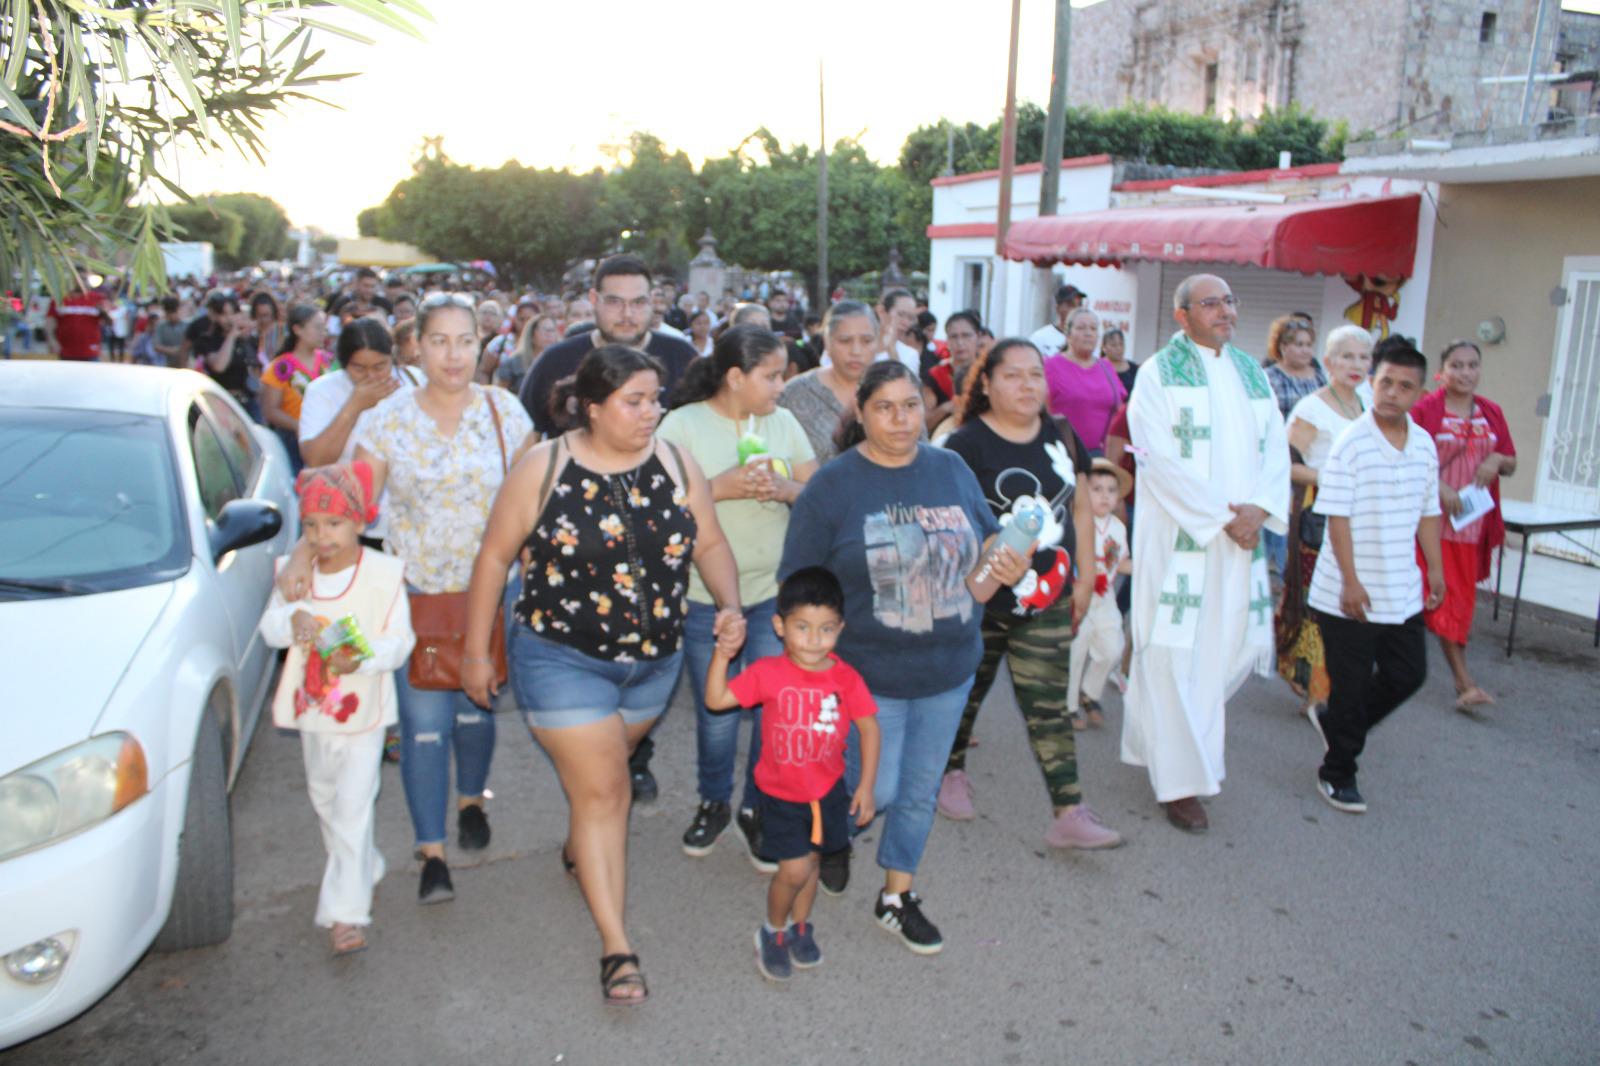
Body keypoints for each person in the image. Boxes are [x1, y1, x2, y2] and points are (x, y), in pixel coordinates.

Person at [461, 345, 742, 1005]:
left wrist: (728, 604)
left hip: (653, 664)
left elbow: (709, 542)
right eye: (636, 401)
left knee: (601, 787)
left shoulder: (676, 462)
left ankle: (579, 847)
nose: (652, 413)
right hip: (561, 658)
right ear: (592, 407)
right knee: (608, 794)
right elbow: (495, 558)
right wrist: (477, 652)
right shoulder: (545, 467)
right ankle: (618, 948)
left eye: (656, 399)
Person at [276, 293, 536, 904]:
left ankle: (472, 798)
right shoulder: (387, 419)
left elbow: (534, 499)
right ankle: (431, 850)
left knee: (476, 710)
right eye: (439, 341)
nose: (453, 354)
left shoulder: (506, 413)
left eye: (465, 341)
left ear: (481, 345)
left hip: (490, 594)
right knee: (424, 725)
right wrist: (303, 550)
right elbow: (349, 497)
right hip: (415, 593)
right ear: (416, 345)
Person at [779, 361, 1031, 954]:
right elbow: (800, 577)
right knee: (878, 790)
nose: (901, 419)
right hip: (868, 676)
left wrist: (1006, 560)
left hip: (949, 668)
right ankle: (826, 835)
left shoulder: (949, 467)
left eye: (912, 405)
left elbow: (987, 537)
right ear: (860, 414)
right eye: (885, 407)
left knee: (918, 790)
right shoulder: (834, 485)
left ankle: (896, 895)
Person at [935, 339, 1122, 850]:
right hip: (980, 598)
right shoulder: (963, 444)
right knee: (966, 693)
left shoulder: (1060, 434)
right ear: (988, 384)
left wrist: (1083, 579)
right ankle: (949, 772)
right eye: (1012, 376)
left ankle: (1069, 810)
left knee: (1047, 705)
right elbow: (948, 525)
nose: (1026, 386)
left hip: (1048, 595)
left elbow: (1081, 506)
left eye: (1035, 375)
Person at [1123, 274, 1289, 833]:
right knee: (1172, 652)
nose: (1225, 311)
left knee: (1224, 649)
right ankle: (1181, 783)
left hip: (1239, 540)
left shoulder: (1250, 374)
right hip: (1181, 539)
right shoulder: (1157, 375)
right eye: (1210, 302)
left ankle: (1170, 748)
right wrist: (1224, 517)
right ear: (1182, 315)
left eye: (1229, 301)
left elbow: (1276, 454)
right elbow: (1157, 458)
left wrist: (1260, 510)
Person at [656, 326, 819, 865]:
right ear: (734, 377)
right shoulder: (682, 425)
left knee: (774, 709)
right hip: (706, 598)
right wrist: (719, 487)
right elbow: (658, 511)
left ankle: (756, 806)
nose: (781, 386)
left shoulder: (785, 422)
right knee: (718, 713)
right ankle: (712, 801)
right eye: (771, 376)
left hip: (774, 594)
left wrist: (785, 489)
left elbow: (813, 493)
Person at [257, 462, 414, 956]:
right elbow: (269, 628)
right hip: (312, 713)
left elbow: (400, 643)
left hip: (363, 714)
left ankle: (346, 912)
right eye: (311, 526)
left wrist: (362, 656)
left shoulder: (384, 575)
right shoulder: (293, 576)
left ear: (360, 523)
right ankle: (363, 865)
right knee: (326, 798)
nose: (322, 536)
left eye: (335, 524)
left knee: (350, 807)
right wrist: (294, 619)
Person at [704, 567, 880, 982]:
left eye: (826, 629)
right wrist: (723, 654)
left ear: (841, 628)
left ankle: (801, 927)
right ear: (780, 626)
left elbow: (870, 727)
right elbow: (716, 699)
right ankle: (773, 930)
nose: (814, 640)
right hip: (781, 795)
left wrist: (867, 786)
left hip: (828, 793)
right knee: (794, 870)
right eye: (803, 627)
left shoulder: (845, 677)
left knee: (814, 864)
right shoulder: (768, 673)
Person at [1306, 342, 1445, 813]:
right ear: (1372, 381)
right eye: (1385, 382)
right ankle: (1337, 772)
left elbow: (1428, 512)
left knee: (1409, 675)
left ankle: (1336, 721)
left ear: (1419, 392)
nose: (1392, 393)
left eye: (1405, 386)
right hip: (1347, 592)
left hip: (1401, 589)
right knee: (1351, 684)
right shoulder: (1352, 442)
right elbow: (1337, 517)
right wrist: (1350, 581)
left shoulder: (1424, 444)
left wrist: (1437, 572)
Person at [1410, 340, 1517, 713]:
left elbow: (1512, 461)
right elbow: (1405, 455)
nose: (1466, 373)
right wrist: (1438, 485)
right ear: (1443, 371)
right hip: (1427, 525)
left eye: (1472, 365)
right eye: (1457, 365)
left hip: (1470, 527)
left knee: (1455, 602)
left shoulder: (1491, 412)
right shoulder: (1426, 409)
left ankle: (1455, 678)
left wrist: (1497, 460)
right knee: (1435, 596)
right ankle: (1463, 682)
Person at [1276, 325, 1372, 713]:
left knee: (1351, 602)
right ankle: (1316, 689)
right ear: (1329, 362)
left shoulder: (1369, 402)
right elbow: (1285, 466)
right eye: (1347, 357)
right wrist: (1333, 479)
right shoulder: (1312, 408)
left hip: (1362, 519)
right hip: (1320, 517)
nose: (1356, 365)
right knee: (1319, 604)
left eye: (1364, 357)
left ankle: (1336, 683)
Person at [519, 255, 698, 442]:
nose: (627, 313)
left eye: (638, 302)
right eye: (615, 302)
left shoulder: (683, 357)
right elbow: (525, 439)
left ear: (651, 301)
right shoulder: (555, 360)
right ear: (594, 299)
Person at [298, 316, 419, 548]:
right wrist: (354, 406)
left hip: (405, 522)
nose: (372, 376)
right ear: (344, 364)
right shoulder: (323, 391)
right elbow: (315, 458)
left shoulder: (414, 384)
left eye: (380, 366)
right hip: (344, 520)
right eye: (359, 368)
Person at [1067, 459, 1133, 729]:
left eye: (1111, 490)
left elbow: (1121, 563)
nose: (1105, 495)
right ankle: (1068, 706)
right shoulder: (1076, 523)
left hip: (1105, 599)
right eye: (1096, 489)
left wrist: (1149, 568)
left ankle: (1090, 692)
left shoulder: (1118, 529)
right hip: (1080, 594)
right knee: (1076, 650)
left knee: (1112, 647)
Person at [1261, 314, 1326, 584]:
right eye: (1297, 344)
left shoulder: (1321, 379)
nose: (1304, 350)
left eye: (1308, 344)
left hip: (1312, 470)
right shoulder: (1269, 378)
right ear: (1282, 346)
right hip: (1277, 466)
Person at [780, 300, 878, 464]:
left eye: (866, 341)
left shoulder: (897, 392)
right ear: (827, 341)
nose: (856, 351)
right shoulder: (793, 394)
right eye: (845, 340)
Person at [261, 304, 335, 471]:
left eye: (324, 327)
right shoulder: (281, 367)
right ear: (297, 330)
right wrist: (300, 426)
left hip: (327, 436)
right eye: (317, 327)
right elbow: (271, 412)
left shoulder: (326, 361)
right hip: (293, 440)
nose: (323, 333)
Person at [1045, 307, 1126, 455]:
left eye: (1093, 329)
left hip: (1101, 456)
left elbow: (1120, 407)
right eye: (1081, 328)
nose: (1088, 333)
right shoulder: (1050, 366)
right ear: (1068, 334)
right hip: (1062, 454)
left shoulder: (1106, 367)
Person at [923, 310, 981, 435]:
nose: (960, 343)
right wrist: (946, 408)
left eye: (966, 335)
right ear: (947, 340)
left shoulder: (989, 373)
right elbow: (923, 424)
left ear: (978, 336)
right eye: (954, 337)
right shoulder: (935, 376)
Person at [493, 313, 560, 393]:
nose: (549, 335)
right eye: (545, 330)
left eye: (552, 330)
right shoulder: (513, 363)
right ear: (531, 334)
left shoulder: (561, 362)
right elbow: (500, 393)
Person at [42, 282, 108, 362]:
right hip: (66, 351)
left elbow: (110, 322)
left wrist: (103, 312)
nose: (80, 282)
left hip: (91, 352)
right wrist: (52, 341)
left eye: (83, 279)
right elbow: (50, 322)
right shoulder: (59, 298)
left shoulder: (97, 298)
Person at [1027, 284, 1086, 357]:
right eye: (1070, 304)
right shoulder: (1039, 338)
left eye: (1079, 305)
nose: (1075, 309)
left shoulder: (1087, 338)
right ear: (1058, 308)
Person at [152, 295, 188, 369]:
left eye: (174, 312)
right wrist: (174, 350)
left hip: (185, 365)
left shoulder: (187, 325)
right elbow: (156, 346)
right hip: (166, 365)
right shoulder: (161, 326)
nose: (172, 316)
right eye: (169, 313)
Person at [1102, 328, 1137, 395]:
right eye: (1113, 345)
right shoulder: (1098, 367)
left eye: (1121, 344)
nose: (1118, 348)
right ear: (1104, 347)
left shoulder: (1133, 368)